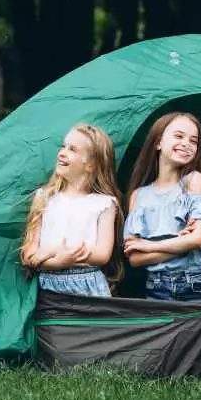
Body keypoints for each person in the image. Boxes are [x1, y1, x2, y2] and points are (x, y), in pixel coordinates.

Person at [123, 112, 201, 304]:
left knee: (200, 334)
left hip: (196, 283)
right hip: (156, 286)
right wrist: (181, 243)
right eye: (179, 136)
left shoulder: (193, 181)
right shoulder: (138, 195)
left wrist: (149, 246)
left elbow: (198, 239)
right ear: (158, 142)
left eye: (194, 141)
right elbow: (135, 258)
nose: (186, 143)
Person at [19, 125, 122, 298]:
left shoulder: (105, 204)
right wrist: (57, 262)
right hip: (47, 289)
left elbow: (102, 254)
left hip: (88, 288)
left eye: (72, 149)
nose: (62, 153)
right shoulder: (44, 197)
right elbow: (30, 254)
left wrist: (53, 251)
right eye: (63, 146)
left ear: (91, 165)